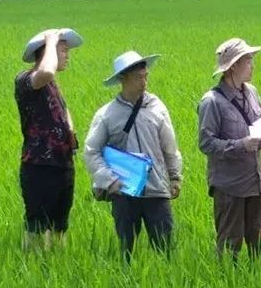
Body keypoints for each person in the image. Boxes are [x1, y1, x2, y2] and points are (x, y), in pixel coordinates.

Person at [84, 51, 182, 260]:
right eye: (139, 77)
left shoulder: (157, 108)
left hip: (156, 190)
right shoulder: (107, 114)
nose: (145, 81)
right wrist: (109, 180)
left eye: (146, 76)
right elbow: (91, 152)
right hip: (124, 192)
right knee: (126, 249)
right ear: (123, 78)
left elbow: (170, 147)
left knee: (165, 249)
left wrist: (175, 177)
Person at [198, 38, 261, 263]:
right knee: (230, 243)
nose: (253, 64)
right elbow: (206, 143)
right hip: (229, 186)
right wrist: (241, 145)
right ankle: (228, 287)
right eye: (248, 60)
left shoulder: (251, 92)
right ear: (233, 67)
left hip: (255, 180)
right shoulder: (211, 102)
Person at [15, 28, 83, 251]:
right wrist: (52, 40)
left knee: (60, 224)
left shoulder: (52, 86)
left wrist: (69, 128)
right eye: (63, 50)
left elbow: (62, 110)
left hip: (62, 163)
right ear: (46, 53)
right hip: (39, 165)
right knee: (37, 225)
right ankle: (34, 267)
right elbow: (46, 73)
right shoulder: (26, 80)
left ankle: (56, 266)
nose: (67, 55)